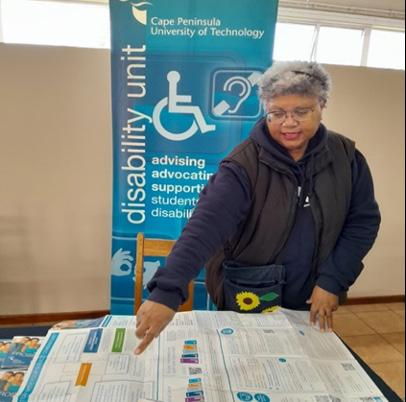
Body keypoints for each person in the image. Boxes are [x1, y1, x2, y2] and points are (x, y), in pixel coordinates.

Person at [135, 61, 381, 354]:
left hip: (312, 296)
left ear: (322, 105)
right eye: (277, 113)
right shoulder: (243, 165)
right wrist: (167, 291)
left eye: (301, 112)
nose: (288, 123)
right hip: (248, 294)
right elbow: (206, 226)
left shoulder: (347, 158)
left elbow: (362, 222)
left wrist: (332, 281)